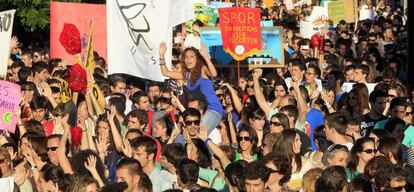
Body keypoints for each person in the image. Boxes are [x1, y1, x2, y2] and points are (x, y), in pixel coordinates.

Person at [159, 43, 224, 135]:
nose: (188, 59)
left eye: (191, 57)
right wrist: (161, 55)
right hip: (198, 113)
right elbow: (165, 72)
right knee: (190, 137)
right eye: (186, 57)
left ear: (197, 59)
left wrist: (205, 57)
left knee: (199, 134)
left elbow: (214, 74)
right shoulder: (186, 75)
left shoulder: (202, 69)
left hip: (213, 109)